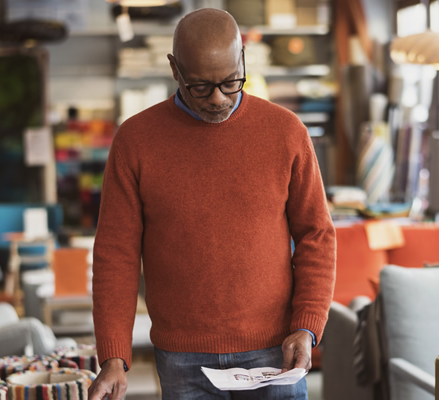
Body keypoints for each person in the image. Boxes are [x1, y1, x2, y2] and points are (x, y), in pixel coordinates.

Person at [87, 8, 336, 400]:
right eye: (200, 86)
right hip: (181, 357)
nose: (218, 98)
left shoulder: (286, 132)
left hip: (275, 349)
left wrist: (306, 325)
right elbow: (115, 253)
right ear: (174, 69)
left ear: (243, 60)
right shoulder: (135, 141)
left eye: (230, 82)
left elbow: (317, 235)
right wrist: (114, 356)